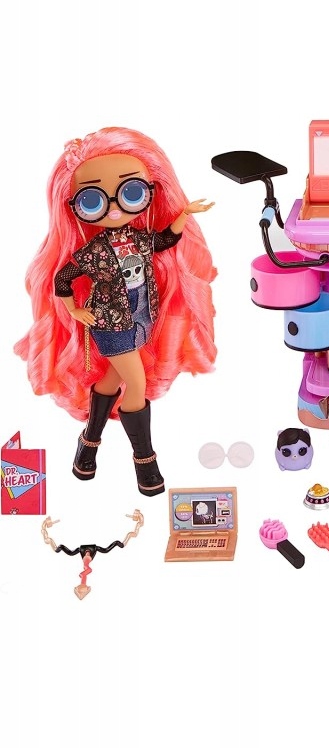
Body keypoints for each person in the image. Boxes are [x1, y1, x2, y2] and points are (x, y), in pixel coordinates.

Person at [15, 127, 217, 496]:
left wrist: (184, 213)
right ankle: (145, 461)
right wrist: (75, 311)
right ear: (75, 206)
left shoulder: (138, 239)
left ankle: (87, 447)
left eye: (131, 193)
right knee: (136, 384)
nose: (114, 208)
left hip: (140, 318)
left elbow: (165, 240)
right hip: (110, 324)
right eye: (92, 200)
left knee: (111, 380)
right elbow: (63, 278)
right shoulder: (94, 250)